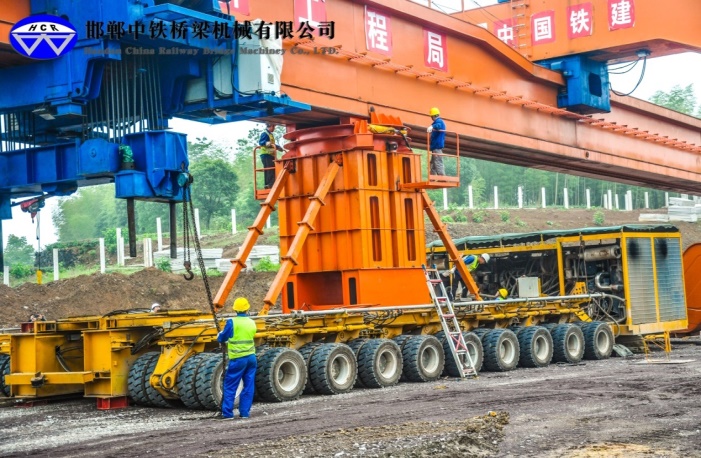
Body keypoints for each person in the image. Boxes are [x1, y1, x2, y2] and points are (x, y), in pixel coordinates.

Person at [217, 297, 257, 419]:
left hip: (238, 359)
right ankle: (245, 413)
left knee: (230, 385)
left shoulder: (232, 322)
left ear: (235, 309)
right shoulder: (251, 322)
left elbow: (222, 338)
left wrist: (219, 336)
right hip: (251, 358)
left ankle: (227, 414)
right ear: (247, 309)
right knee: (248, 385)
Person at [258, 123, 284, 189]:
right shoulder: (265, 133)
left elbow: (272, 144)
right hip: (266, 154)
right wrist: (267, 143)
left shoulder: (270, 134)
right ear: (270, 126)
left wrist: (278, 147)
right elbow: (261, 142)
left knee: (271, 169)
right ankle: (269, 185)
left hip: (270, 154)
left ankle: (270, 184)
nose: (274, 128)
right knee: (269, 170)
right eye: (273, 127)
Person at [427, 107, 446, 176]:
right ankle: (432, 176)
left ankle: (442, 177)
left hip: (437, 146)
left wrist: (432, 126)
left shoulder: (439, 122)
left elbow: (438, 126)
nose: (431, 118)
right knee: (433, 162)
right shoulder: (438, 122)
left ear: (434, 116)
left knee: (437, 161)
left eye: (431, 116)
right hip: (435, 147)